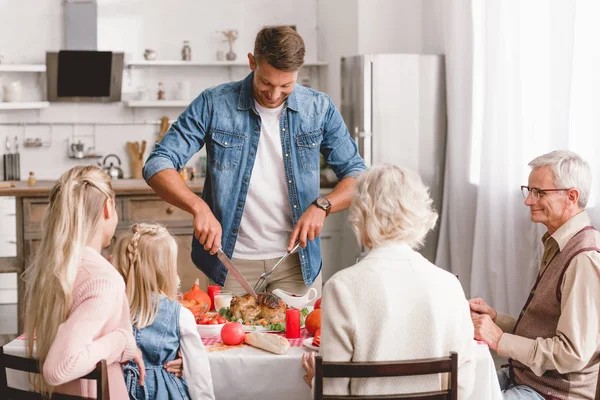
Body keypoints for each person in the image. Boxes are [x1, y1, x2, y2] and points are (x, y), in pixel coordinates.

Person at [142, 26, 366, 295]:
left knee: (299, 338)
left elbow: (358, 175)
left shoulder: (319, 108)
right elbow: (158, 163)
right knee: (227, 337)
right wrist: (197, 206)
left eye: (286, 86)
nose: (274, 95)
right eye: (267, 83)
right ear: (252, 62)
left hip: (296, 261)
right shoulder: (214, 104)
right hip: (229, 262)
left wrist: (323, 205)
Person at [302, 164, 476, 397]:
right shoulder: (449, 285)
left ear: (360, 214)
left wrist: (317, 382)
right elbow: (463, 385)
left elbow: (334, 392)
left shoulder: (341, 287)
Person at [470, 150, 600, 400]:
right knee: (454, 388)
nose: (528, 201)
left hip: (551, 393)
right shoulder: (560, 242)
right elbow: (547, 328)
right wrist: (497, 319)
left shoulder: (584, 258)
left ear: (571, 197)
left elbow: (572, 353)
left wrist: (499, 339)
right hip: (525, 379)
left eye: (538, 192)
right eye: (528, 191)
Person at [23, 166, 145, 398]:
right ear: (108, 207)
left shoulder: (56, 267)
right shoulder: (102, 280)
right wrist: (120, 341)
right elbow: (59, 368)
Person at [113, 223, 215, 400]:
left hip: (116, 390)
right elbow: (199, 376)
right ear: (165, 270)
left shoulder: (109, 308)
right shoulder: (180, 315)